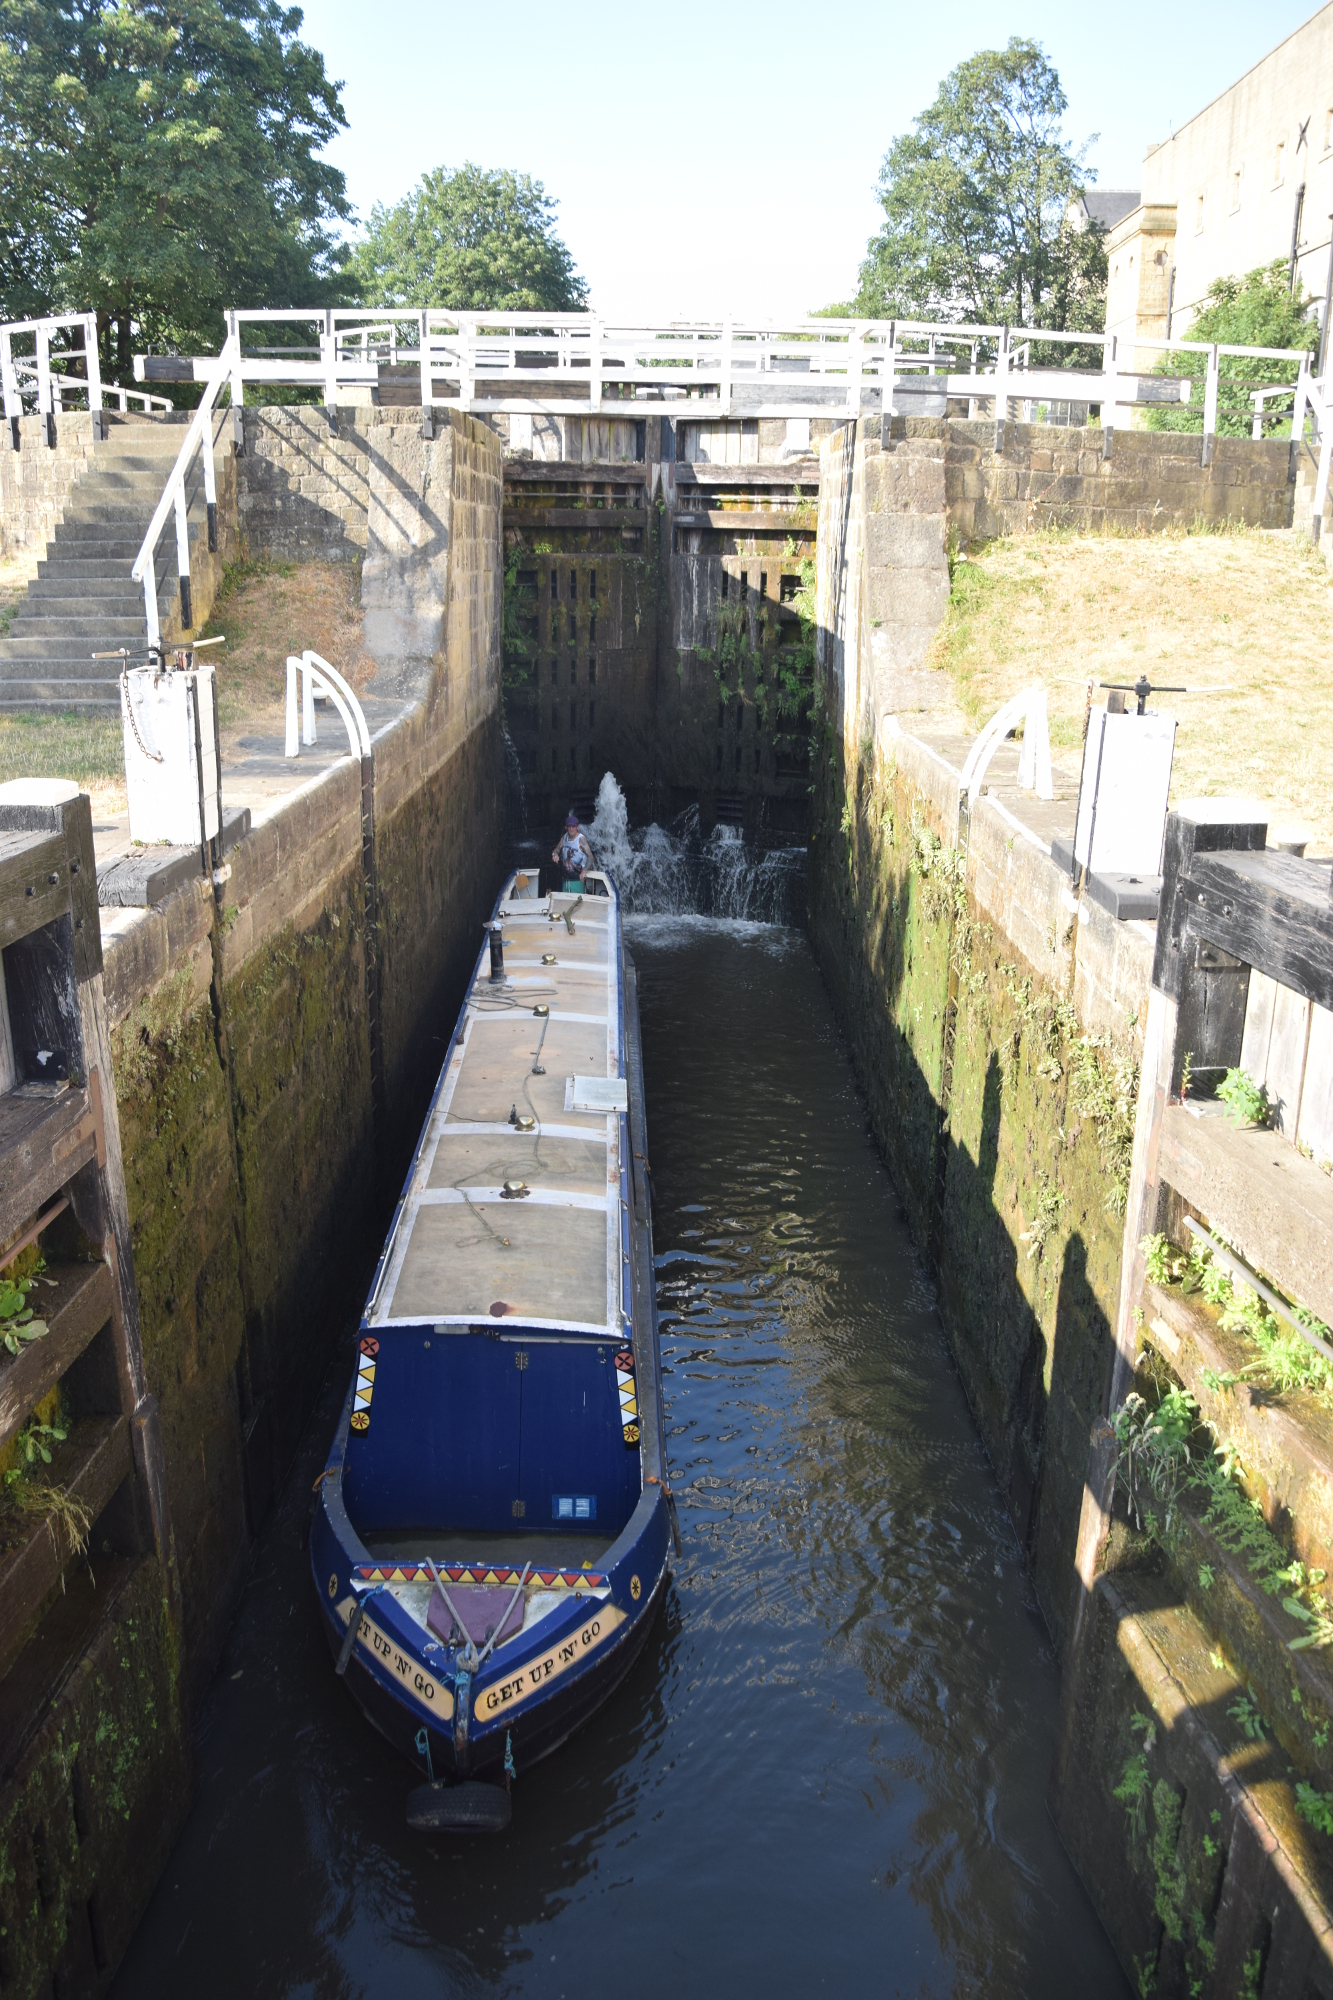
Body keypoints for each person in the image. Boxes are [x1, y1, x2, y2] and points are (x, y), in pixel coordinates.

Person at [552, 812, 593, 892]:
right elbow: (556, 849)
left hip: (577, 881)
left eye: (573, 826)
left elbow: (590, 857)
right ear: (566, 827)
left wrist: (584, 871)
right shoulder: (564, 837)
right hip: (565, 880)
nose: (571, 829)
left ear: (577, 827)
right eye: (569, 826)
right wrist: (555, 854)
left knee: (577, 900)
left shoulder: (581, 839)